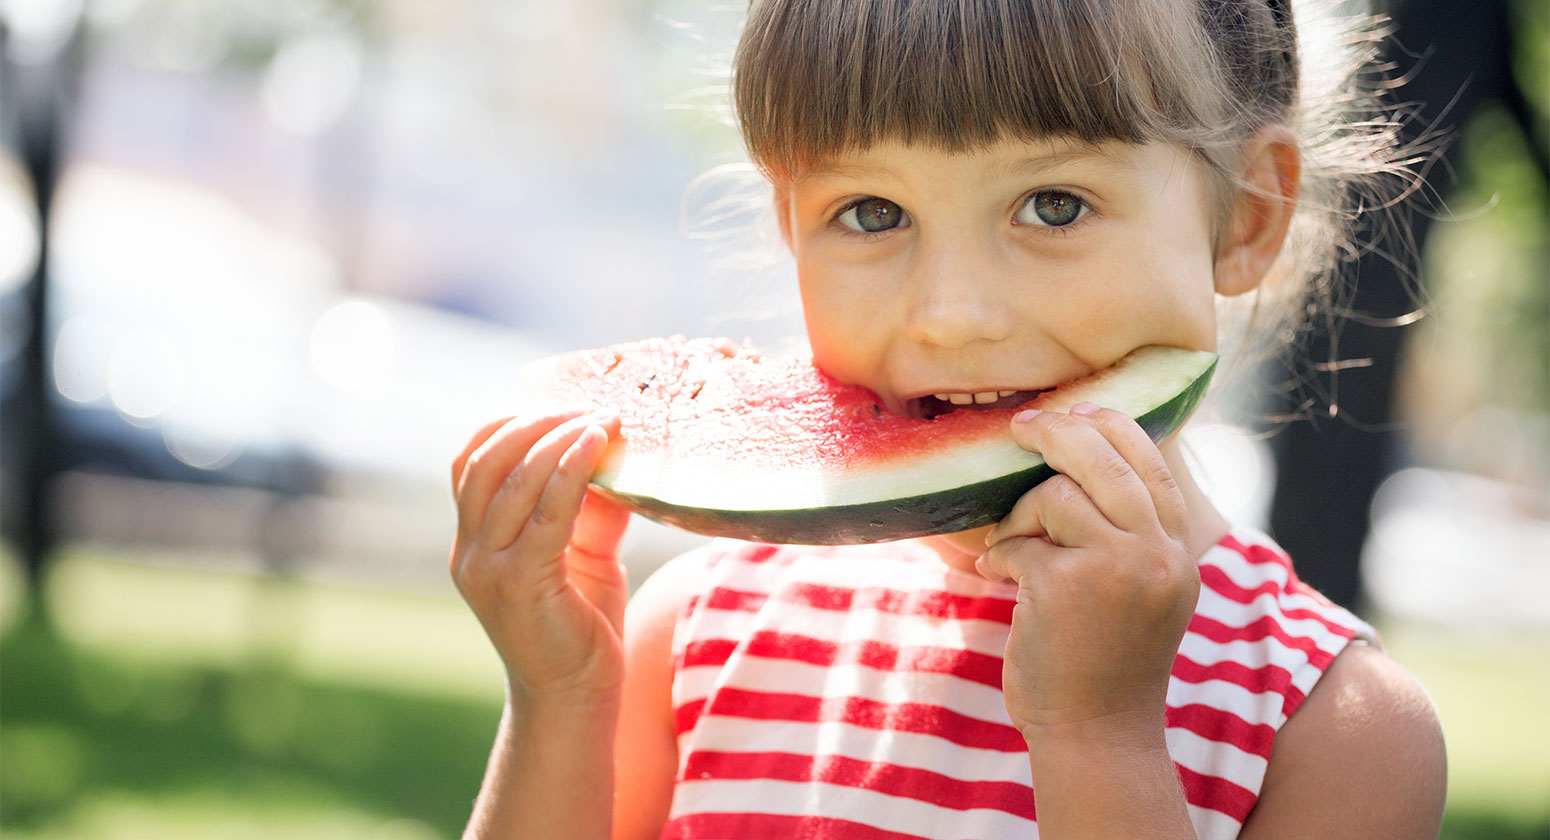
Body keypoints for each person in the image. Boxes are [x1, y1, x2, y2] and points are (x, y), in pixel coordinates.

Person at [447, 0, 1448, 837]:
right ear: (789, 225)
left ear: (1245, 218)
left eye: (1052, 204)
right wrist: (561, 700)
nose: (950, 315)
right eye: (871, 212)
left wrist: (1098, 733)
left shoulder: (1329, 726)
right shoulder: (698, 628)